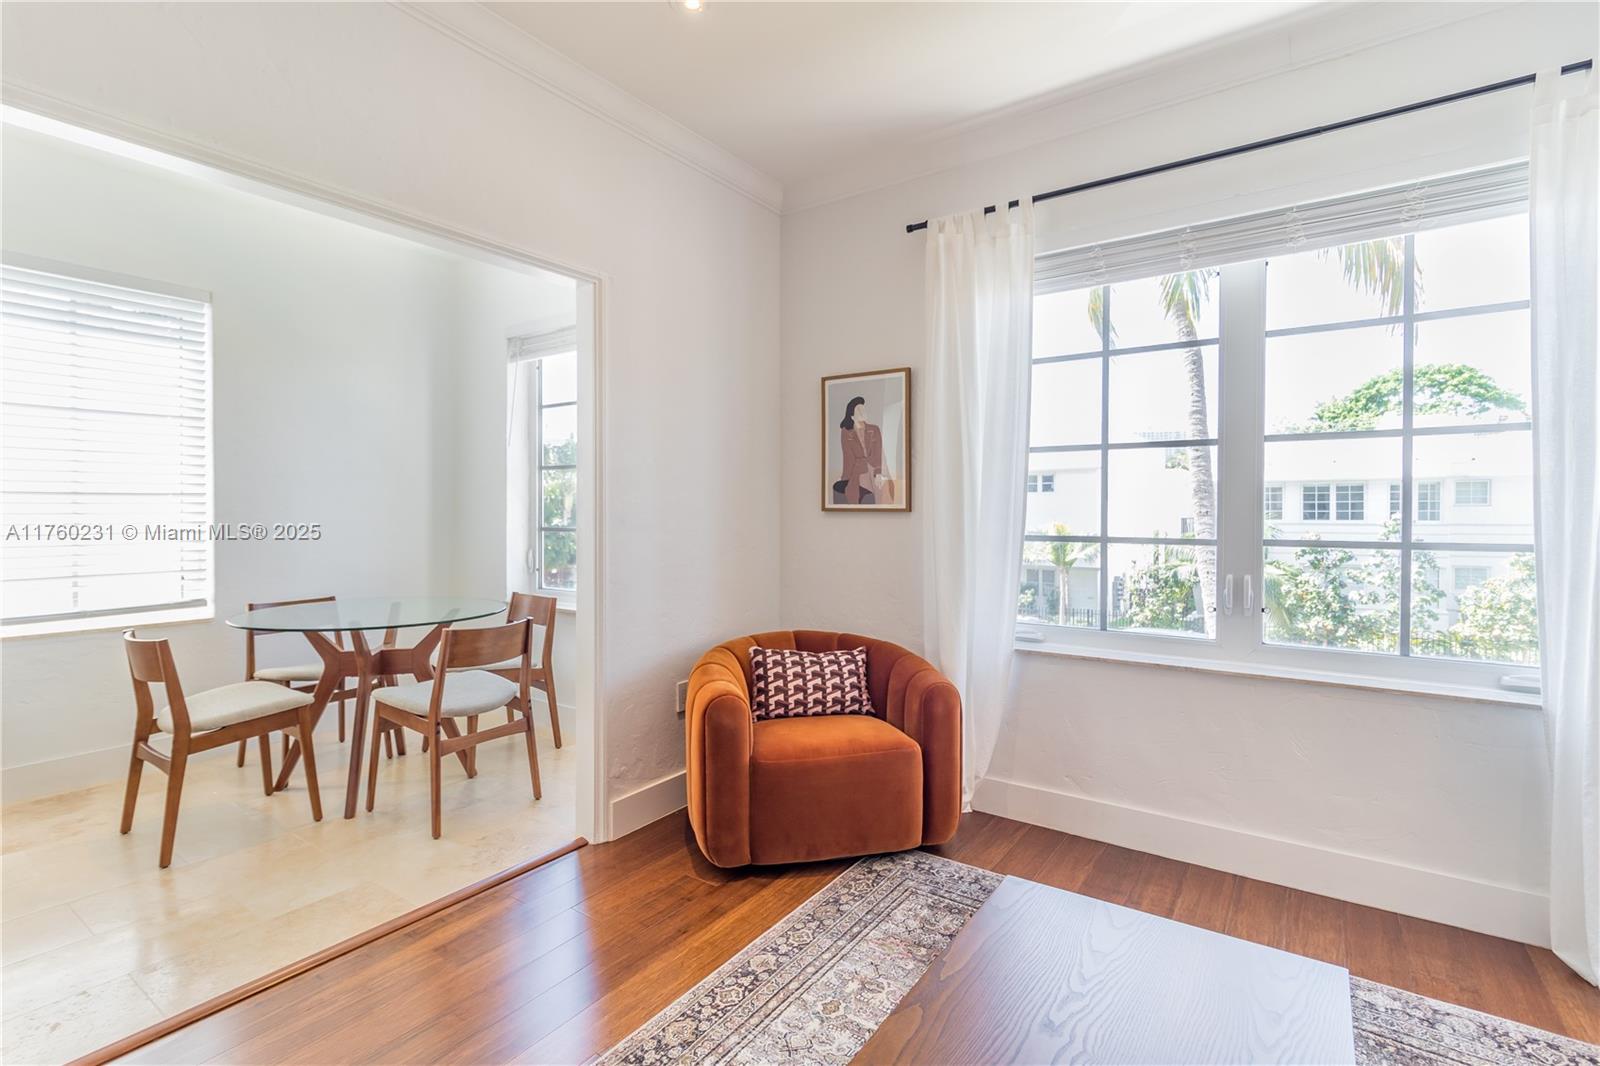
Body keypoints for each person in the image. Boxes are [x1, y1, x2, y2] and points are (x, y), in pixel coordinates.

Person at [837, 396, 892, 505]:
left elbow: (878, 452)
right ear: (852, 416)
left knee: (881, 494)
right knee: (855, 495)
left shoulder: (874, 429)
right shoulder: (846, 432)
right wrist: (845, 478)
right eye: (859, 410)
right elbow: (848, 457)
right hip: (857, 471)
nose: (863, 411)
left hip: (874, 467)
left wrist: (878, 473)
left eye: (863, 408)